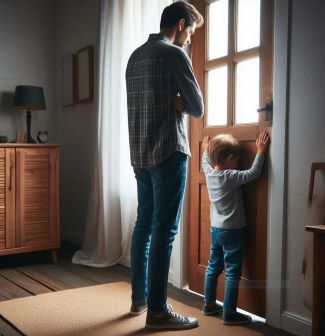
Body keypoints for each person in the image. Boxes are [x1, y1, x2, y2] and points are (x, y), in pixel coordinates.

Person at [125, 1, 204, 330]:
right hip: (168, 151)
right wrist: (181, 103)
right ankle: (157, 312)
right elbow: (198, 106)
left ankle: (140, 298)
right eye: (192, 34)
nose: (190, 41)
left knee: (144, 225)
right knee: (165, 230)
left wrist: (175, 100)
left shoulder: (135, 57)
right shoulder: (174, 54)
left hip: (140, 154)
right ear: (182, 24)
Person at [201, 131, 269, 325]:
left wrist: (206, 150)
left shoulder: (210, 173)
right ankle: (229, 313)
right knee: (232, 272)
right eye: (237, 159)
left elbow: (205, 163)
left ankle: (209, 304)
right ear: (230, 159)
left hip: (215, 230)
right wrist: (261, 151)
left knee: (213, 267)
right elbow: (253, 173)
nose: (238, 162)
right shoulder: (230, 176)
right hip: (233, 231)